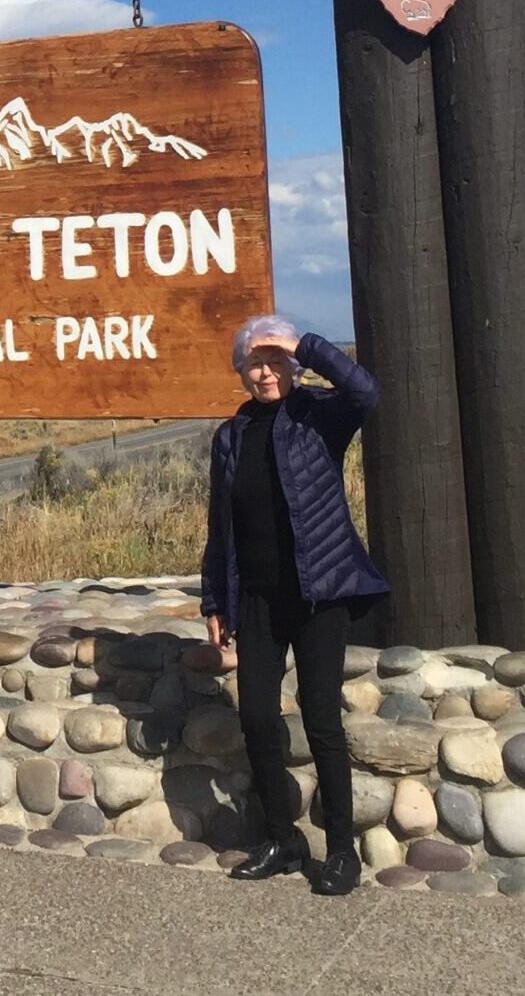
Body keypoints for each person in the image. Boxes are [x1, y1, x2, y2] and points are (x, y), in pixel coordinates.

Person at [201, 315, 388, 897]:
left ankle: (341, 850)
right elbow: (220, 526)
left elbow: (366, 391)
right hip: (257, 598)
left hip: (319, 593)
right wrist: (214, 598)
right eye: (254, 362)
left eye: (275, 360)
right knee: (256, 715)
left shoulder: (318, 417)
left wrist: (303, 343)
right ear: (241, 371)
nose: (265, 371)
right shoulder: (230, 437)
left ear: (293, 364)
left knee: (321, 718)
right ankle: (282, 838)